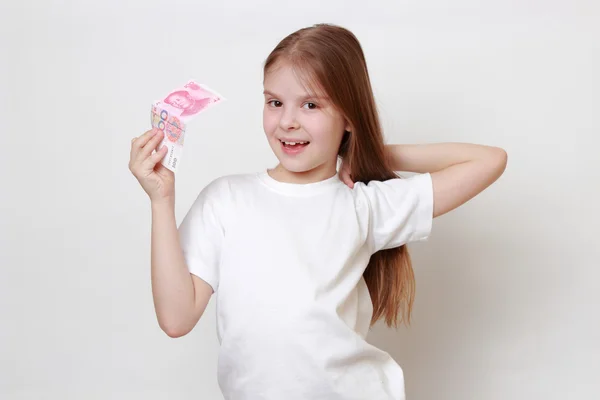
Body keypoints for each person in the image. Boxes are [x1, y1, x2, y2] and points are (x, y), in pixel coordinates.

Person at [129, 23, 507, 400]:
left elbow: (489, 160)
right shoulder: (225, 199)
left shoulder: (363, 205)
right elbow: (176, 319)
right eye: (275, 102)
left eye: (311, 104)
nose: (288, 121)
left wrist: (368, 150)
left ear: (348, 117)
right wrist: (161, 201)